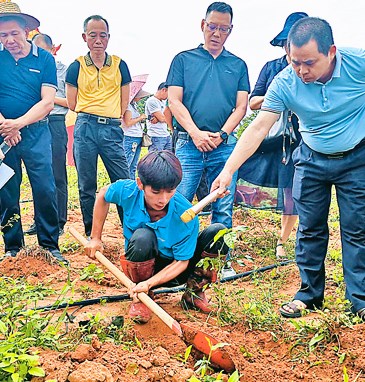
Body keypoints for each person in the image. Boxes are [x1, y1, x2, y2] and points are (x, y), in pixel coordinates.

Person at [212, 17, 365, 321]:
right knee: (309, 228)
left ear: (331, 51)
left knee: (356, 229)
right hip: (311, 157)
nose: (301, 70)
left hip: (356, 158)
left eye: (309, 63)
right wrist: (228, 170)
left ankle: (359, 300)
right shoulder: (285, 81)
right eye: (295, 62)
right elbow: (258, 128)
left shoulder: (358, 64)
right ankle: (309, 295)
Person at [85, 151, 229, 323]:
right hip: (142, 267)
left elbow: (182, 262)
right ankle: (142, 297)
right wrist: (95, 238)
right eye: (155, 192)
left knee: (219, 233)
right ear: (140, 184)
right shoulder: (128, 191)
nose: (163, 199)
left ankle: (194, 293)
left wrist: (151, 282)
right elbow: (103, 194)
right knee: (142, 237)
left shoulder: (185, 213)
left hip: (177, 271)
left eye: (170, 191)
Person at [166, 2, 250, 230]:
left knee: (222, 205)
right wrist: (195, 133)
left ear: (230, 30)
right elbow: (174, 100)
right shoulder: (183, 60)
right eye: (212, 26)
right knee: (180, 201)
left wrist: (222, 135)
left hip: (223, 146)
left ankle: (220, 261)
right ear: (203, 25)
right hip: (188, 142)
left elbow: (241, 107)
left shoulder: (238, 65)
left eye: (224, 29)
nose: (217, 33)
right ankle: (175, 259)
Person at [0, 2, 67, 264]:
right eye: (3, 35)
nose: (10, 40)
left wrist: (18, 124)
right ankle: (13, 247)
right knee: (6, 189)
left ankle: (49, 245)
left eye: (14, 33)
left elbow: (47, 102)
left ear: (26, 30)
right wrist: (7, 125)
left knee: (45, 188)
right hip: (4, 135)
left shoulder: (45, 59)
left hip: (37, 133)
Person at [242, 12, 307, 260]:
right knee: (282, 188)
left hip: (303, 140)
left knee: (295, 192)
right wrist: (277, 95)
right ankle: (272, 238)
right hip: (276, 141)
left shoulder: (313, 68)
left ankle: (284, 240)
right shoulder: (272, 68)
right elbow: (254, 101)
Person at [66, 14, 131, 237]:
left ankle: (131, 232)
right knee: (86, 185)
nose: (98, 40)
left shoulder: (120, 65)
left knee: (123, 181)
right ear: (85, 37)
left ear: (108, 37)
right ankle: (91, 234)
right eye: (92, 35)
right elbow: (72, 103)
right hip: (85, 127)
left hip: (111, 129)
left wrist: (113, 115)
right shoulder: (76, 67)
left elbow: (125, 100)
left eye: (102, 35)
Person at [26, 33, 69, 237]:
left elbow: (71, 102)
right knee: (39, 175)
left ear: (53, 50)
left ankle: (59, 221)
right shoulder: (33, 69)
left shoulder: (64, 71)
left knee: (58, 174)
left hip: (55, 123)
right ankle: (39, 220)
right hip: (35, 124)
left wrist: (48, 98)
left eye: (42, 50)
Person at [122, 89, 149, 179]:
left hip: (137, 136)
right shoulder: (128, 107)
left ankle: (131, 183)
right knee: (127, 163)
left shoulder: (134, 106)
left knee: (133, 165)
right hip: (130, 136)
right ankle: (125, 183)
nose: (140, 99)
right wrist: (140, 117)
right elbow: (128, 122)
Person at [145, 82, 172, 152]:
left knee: (168, 158)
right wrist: (166, 117)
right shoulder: (152, 101)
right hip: (156, 136)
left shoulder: (162, 102)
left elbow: (163, 117)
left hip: (165, 134)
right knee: (155, 159)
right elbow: (162, 118)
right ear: (164, 90)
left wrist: (162, 118)